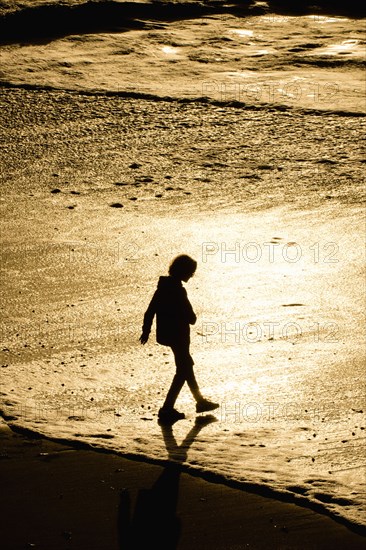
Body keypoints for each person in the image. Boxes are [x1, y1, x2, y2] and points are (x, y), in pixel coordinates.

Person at [139, 254, 219, 423]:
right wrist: (191, 317)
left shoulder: (162, 287)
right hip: (178, 336)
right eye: (191, 272)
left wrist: (146, 331)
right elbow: (191, 317)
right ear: (183, 271)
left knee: (186, 367)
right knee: (183, 369)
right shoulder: (178, 290)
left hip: (168, 335)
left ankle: (200, 402)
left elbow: (150, 311)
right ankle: (167, 408)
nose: (192, 275)